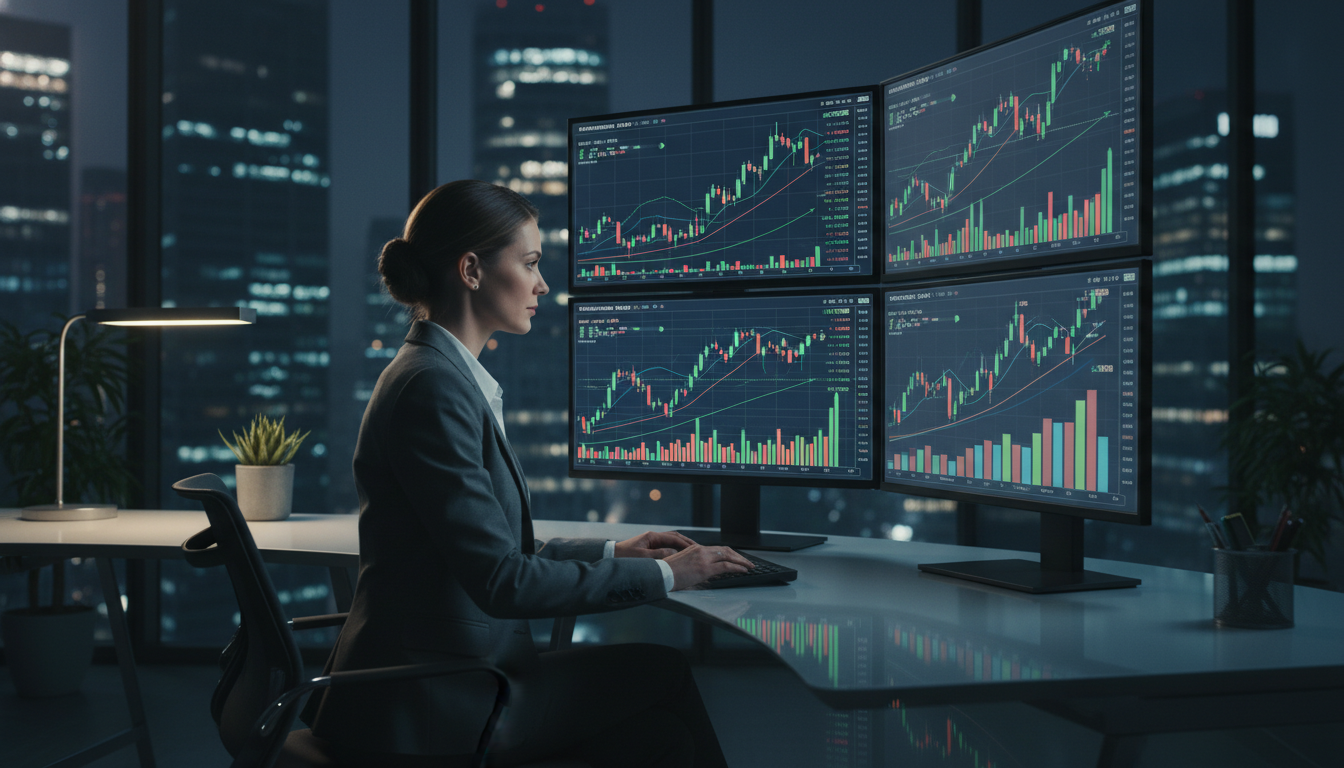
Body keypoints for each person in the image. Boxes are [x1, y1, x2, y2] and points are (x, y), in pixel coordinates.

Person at [307, 180, 753, 767]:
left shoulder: (442, 376)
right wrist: (668, 576)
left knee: (662, 739)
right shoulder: (432, 388)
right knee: (663, 675)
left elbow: (491, 547)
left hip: (443, 674)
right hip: (436, 701)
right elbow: (501, 580)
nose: (543, 283)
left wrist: (616, 552)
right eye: (530, 263)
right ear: (471, 270)